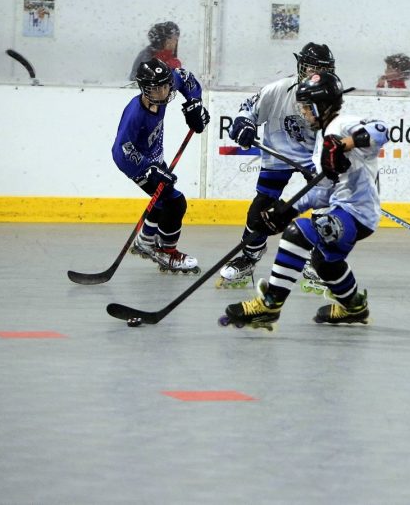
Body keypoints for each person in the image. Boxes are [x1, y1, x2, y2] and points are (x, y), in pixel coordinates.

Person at [221, 71, 388, 330]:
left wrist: (343, 144)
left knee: (298, 234)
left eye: (307, 106)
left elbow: (380, 131)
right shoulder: (322, 140)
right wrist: (286, 210)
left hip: (356, 214)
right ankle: (355, 308)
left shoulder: (341, 125)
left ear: (322, 105)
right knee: (326, 264)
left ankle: (269, 306)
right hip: (342, 211)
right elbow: (321, 191)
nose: (303, 112)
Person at [217, 42, 336, 289]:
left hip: (312, 157)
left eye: (324, 70)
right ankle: (250, 255)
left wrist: (322, 165)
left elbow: (331, 137)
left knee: (325, 205)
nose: (318, 75)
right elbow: (247, 111)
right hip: (278, 154)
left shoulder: (329, 97)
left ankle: (317, 260)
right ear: (302, 67)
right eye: (314, 68)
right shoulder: (279, 90)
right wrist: (244, 125)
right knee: (260, 208)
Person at [112, 58, 210, 274]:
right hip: (136, 164)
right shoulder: (135, 113)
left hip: (155, 158)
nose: (164, 92)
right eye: (157, 89)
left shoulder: (164, 85)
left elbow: (186, 78)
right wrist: (148, 169)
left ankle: (146, 240)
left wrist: (195, 105)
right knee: (175, 203)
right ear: (144, 88)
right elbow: (121, 151)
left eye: (166, 86)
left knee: (162, 199)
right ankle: (167, 252)